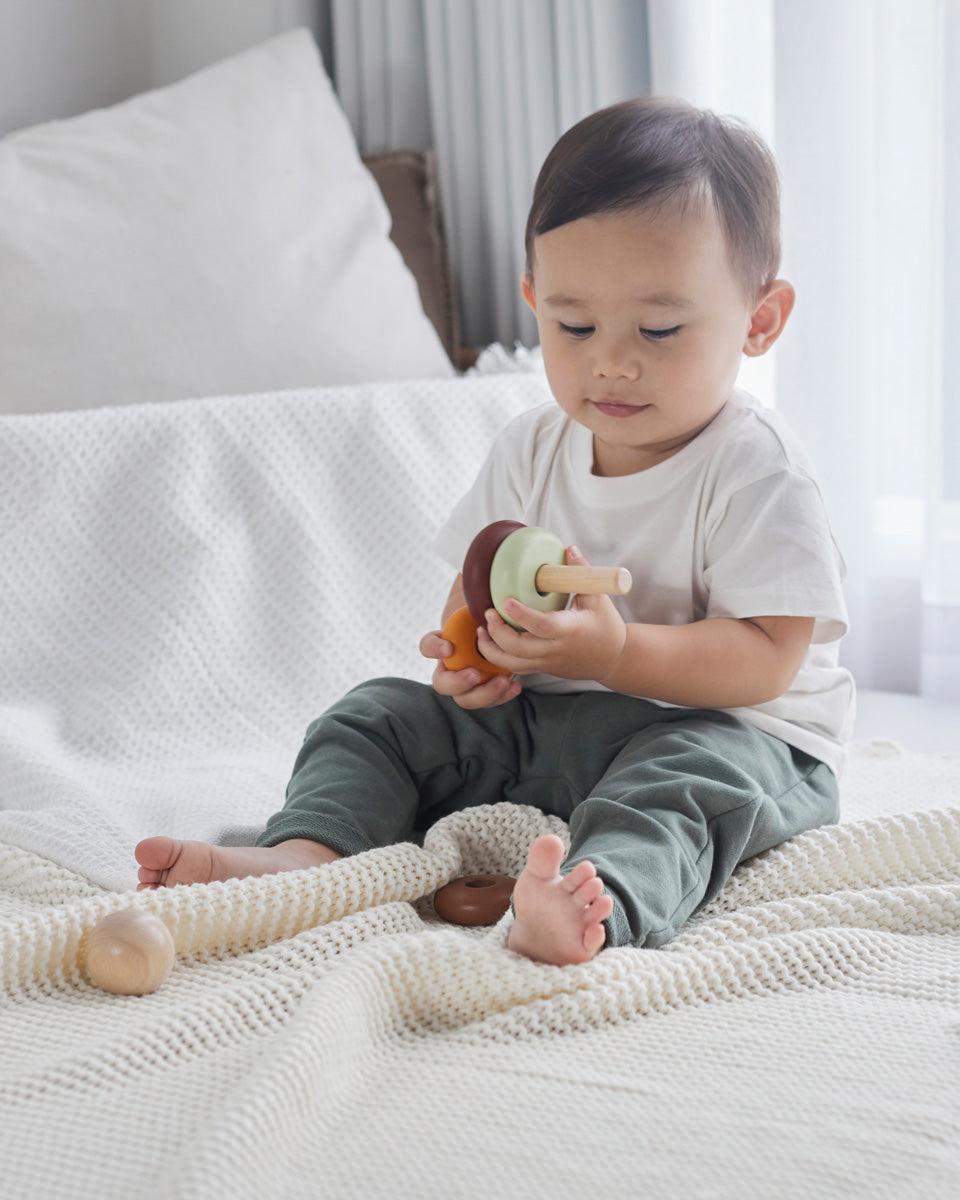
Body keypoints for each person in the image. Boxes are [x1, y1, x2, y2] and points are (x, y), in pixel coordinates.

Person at [136, 97, 854, 967]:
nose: (611, 361)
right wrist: (471, 653)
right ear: (533, 303)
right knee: (377, 716)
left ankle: (597, 904)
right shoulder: (532, 443)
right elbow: (481, 577)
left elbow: (769, 657)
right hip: (548, 724)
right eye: (574, 324)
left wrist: (617, 656)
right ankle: (304, 857)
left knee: (684, 790)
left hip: (725, 728)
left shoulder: (757, 467)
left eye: (659, 329)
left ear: (760, 319)